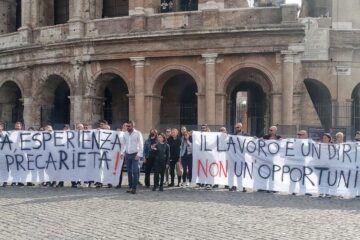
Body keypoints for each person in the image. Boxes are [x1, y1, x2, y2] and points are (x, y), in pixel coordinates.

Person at [121, 121, 144, 194]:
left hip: (135, 155)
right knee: (129, 172)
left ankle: (134, 188)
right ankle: (130, 187)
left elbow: (141, 145)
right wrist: (122, 153)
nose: (127, 127)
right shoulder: (125, 134)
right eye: (127, 126)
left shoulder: (138, 133)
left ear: (133, 126)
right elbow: (123, 144)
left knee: (135, 171)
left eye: (129, 126)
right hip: (127, 154)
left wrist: (139, 154)